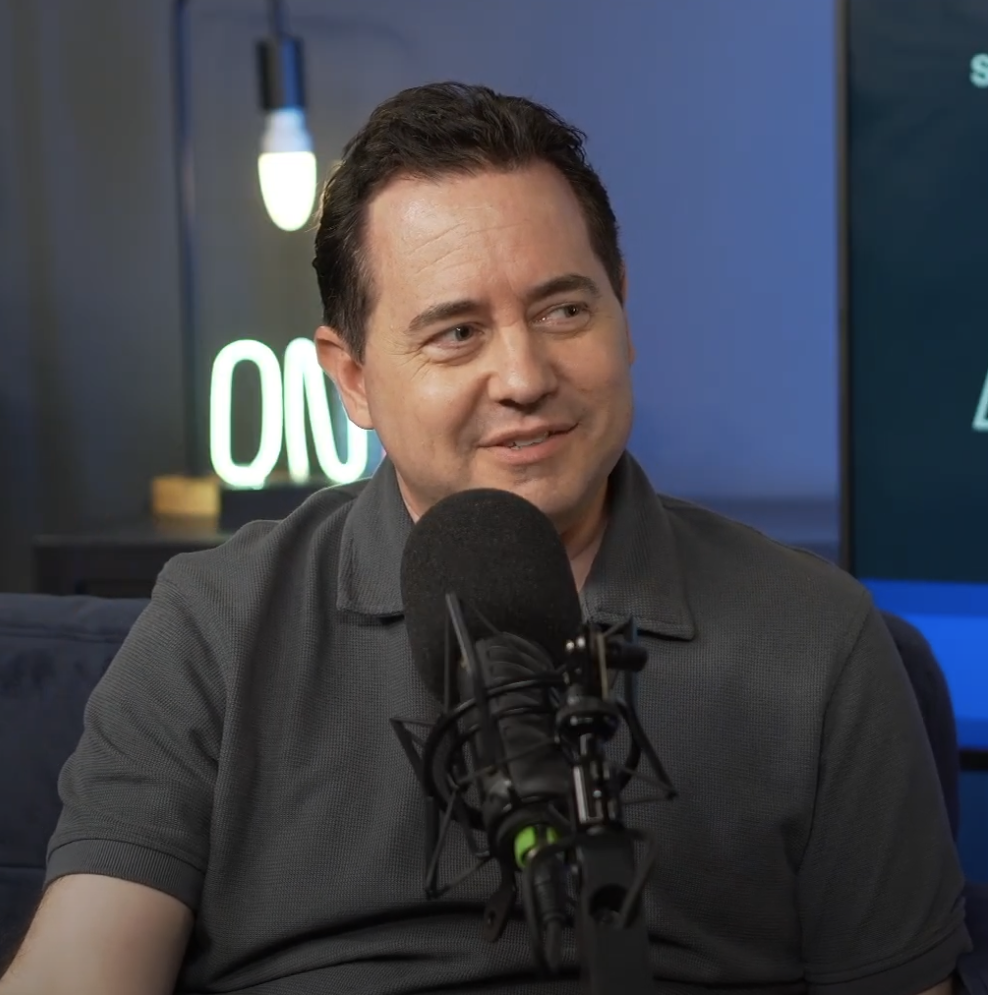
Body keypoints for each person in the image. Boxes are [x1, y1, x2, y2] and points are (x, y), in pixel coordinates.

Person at [0, 82, 970, 995]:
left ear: (622, 310)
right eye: (456, 332)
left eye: (564, 309)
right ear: (352, 377)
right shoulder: (214, 625)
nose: (524, 376)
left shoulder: (817, 635)